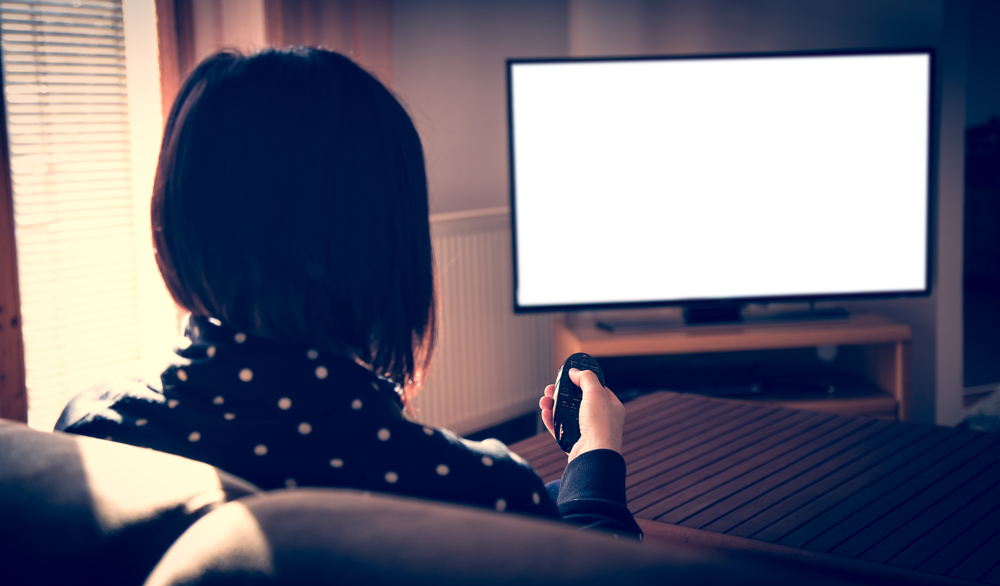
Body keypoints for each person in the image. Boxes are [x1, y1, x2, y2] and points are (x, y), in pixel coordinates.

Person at [55, 47, 641, 539]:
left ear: (178, 222)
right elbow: (603, 572)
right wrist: (596, 456)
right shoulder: (475, 489)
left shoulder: (91, 430)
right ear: (388, 244)